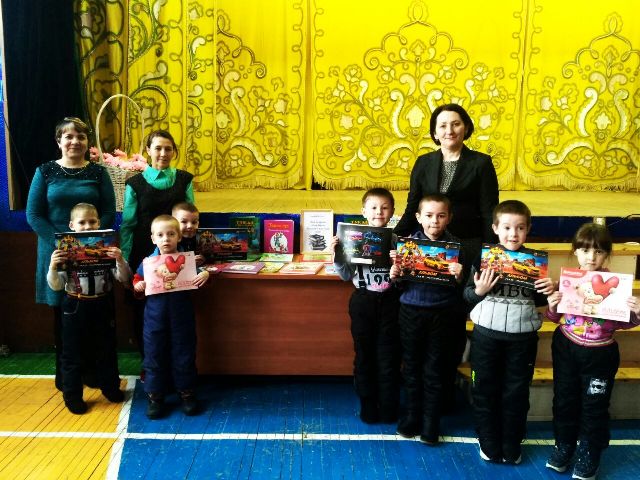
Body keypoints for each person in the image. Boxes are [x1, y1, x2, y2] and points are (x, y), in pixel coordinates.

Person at [394, 103, 499, 409]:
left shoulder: (481, 163)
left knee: (452, 327)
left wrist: (490, 254)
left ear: (465, 127)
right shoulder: (424, 162)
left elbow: (488, 210)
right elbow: (413, 207)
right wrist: (393, 239)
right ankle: (422, 401)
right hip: (426, 250)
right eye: (442, 125)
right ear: (434, 131)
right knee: (425, 331)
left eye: (455, 124)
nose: (449, 130)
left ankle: (445, 395)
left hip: (465, 250)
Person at [26, 117, 116, 391]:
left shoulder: (98, 173)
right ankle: (67, 378)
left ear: (88, 142)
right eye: (69, 136)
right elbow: (34, 215)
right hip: (57, 253)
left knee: (93, 315)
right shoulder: (44, 171)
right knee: (64, 316)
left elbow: (109, 212)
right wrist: (63, 244)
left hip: (92, 253)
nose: (75, 141)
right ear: (59, 141)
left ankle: (93, 374)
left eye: (81, 137)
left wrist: (90, 242)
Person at [545, 223, 640, 479]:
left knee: (594, 406)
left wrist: (637, 313)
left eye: (598, 251)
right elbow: (554, 318)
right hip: (567, 347)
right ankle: (564, 445)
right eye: (585, 250)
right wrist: (552, 306)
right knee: (564, 400)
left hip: (601, 353)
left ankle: (590, 451)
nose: (591, 257)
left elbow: (623, 323)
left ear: (606, 255)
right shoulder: (568, 283)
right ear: (575, 251)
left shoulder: (616, 287)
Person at [463, 200, 555, 464]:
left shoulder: (535, 263)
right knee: (484, 390)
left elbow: (540, 301)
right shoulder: (484, 259)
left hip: (522, 339)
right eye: (506, 227)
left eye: (520, 228)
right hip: (486, 337)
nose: (513, 234)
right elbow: (467, 295)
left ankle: (511, 442)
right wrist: (479, 291)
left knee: (516, 393)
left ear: (528, 229)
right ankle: (488, 439)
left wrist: (548, 290)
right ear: (495, 228)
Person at [390, 193, 465, 445]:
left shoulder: (456, 247)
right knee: (411, 367)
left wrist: (459, 276)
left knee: (435, 370)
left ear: (449, 218)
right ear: (418, 217)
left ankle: (431, 422)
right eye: (429, 215)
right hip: (410, 312)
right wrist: (395, 274)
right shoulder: (408, 246)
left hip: (442, 315)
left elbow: (464, 289)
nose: (435, 221)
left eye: (441, 215)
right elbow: (400, 285)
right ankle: (412, 416)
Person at [46, 203, 129, 414]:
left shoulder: (107, 247)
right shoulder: (64, 251)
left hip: (102, 303)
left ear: (99, 223)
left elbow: (123, 278)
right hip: (75, 305)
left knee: (106, 349)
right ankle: (72, 396)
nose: (87, 226)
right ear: (72, 225)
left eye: (92, 221)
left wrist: (119, 259)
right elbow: (56, 285)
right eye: (82, 222)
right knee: (71, 354)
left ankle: (110, 388)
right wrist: (53, 267)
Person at [119, 130, 194, 358]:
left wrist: (191, 255)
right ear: (148, 151)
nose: (163, 153)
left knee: (177, 311)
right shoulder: (135, 184)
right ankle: (149, 363)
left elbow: (189, 218)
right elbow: (128, 224)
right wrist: (125, 260)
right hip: (144, 254)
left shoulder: (184, 180)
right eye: (158, 148)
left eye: (168, 149)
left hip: (177, 255)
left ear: (174, 152)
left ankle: (176, 364)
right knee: (144, 309)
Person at [331, 188, 401, 424]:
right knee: (364, 356)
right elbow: (344, 275)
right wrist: (338, 254)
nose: (379, 212)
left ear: (392, 211)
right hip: (363, 300)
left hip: (391, 302)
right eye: (373, 207)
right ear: (363, 211)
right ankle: (368, 404)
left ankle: (389, 405)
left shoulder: (397, 241)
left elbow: (403, 280)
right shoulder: (352, 238)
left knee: (389, 357)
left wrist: (398, 269)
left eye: (385, 207)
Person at [132, 215, 209, 419]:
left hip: (181, 317)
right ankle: (155, 396)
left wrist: (205, 274)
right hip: (154, 318)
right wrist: (138, 285)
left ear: (179, 237)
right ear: (153, 239)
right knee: (154, 355)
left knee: (184, 353)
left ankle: (187, 393)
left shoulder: (188, 260)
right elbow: (137, 280)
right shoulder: (148, 263)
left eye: (171, 234)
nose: (166, 239)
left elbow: (200, 274)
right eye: (160, 235)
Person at [172, 202, 205, 266]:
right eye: (184, 222)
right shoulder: (170, 242)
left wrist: (204, 259)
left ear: (198, 223)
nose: (190, 226)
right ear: (173, 223)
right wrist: (189, 262)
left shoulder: (201, 240)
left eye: (194, 222)